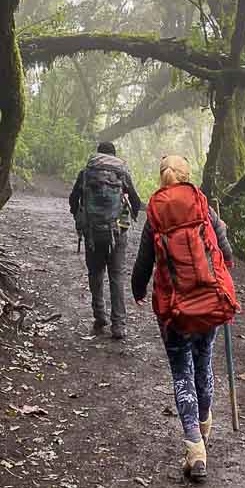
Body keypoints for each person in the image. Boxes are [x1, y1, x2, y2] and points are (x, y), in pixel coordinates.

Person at [131, 154, 237, 482]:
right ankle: (203, 428)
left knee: (182, 373)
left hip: (174, 310)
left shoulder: (155, 214)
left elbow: (143, 262)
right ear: (187, 176)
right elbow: (227, 253)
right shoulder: (204, 207)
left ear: (162, 178)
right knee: (204, 364)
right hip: (209, 304)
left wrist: (138, 290)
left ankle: (194, 446)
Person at [69, 140, 141, 340]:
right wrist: (129, 215)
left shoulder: (86, 173)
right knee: (116, 276)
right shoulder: (121, 173)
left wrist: (79, 218)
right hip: (116, 233)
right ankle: (119, 325)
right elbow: (136, 201)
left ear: (98, 155)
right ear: (114, 156)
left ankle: (99, 315)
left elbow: (73, 199)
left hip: (92, 232)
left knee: (95, 273)